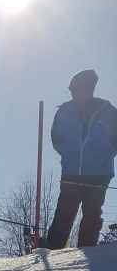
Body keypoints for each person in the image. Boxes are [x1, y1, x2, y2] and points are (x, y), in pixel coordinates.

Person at [46, 69, 117, 249]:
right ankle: (52, 251)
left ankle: (87, 253)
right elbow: (56, 138)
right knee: (63, 214)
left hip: (98, 174)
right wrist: (69, 155)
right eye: (72, 91)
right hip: (71, 172)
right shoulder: (64, 111)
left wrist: (105, 155)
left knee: (92, 215)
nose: (74, 94)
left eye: (77, 90)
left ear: (89, 88)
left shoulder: (107, 111)